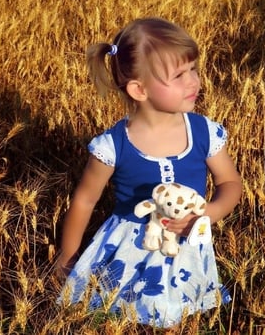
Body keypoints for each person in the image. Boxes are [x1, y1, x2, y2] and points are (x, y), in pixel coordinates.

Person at [58, 17, 242, 328]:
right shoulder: (113, 145)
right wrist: (66, 260)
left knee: (181, 319)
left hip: (185, 245)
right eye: (179, 75)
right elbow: (84, 201)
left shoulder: (204, 132)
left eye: (194, 69)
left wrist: (209, 213)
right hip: (129, 249)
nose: (194, 81)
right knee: (120, 320)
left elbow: (230, 182)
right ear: (139, 89)